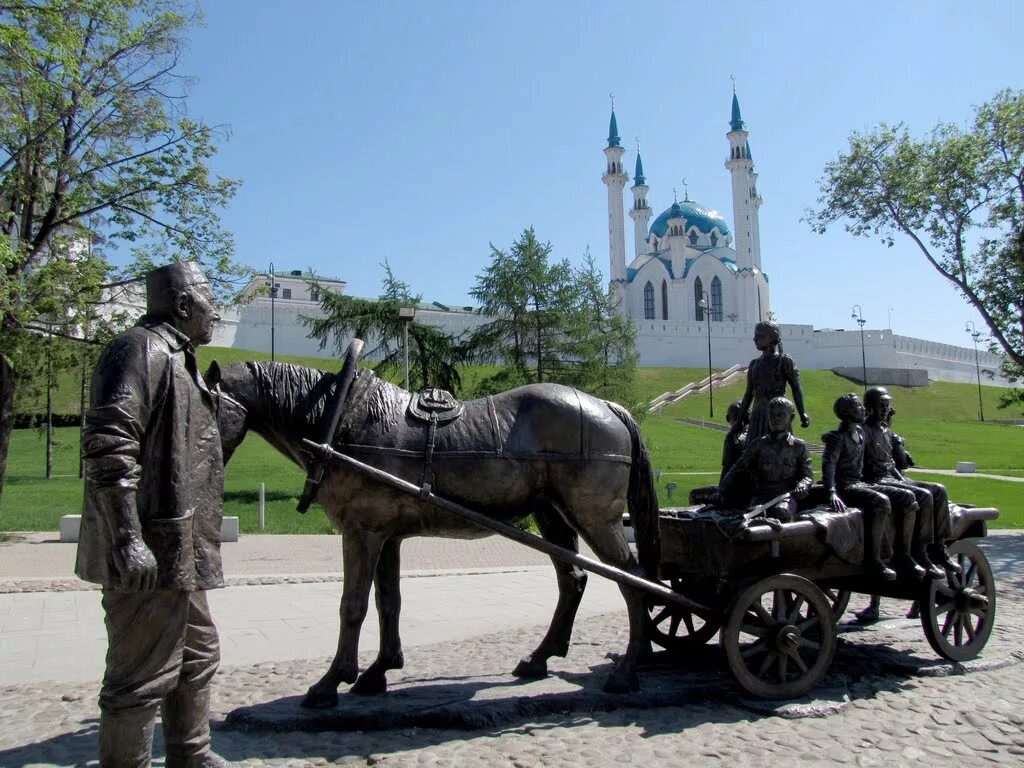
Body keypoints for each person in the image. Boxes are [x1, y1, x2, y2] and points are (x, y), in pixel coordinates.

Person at [75, 262, 226, 768]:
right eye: (210, 297)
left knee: (198, 656)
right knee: (139, 675)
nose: (216, 309)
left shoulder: (181, 359)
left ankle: (191, 753)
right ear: (183, 304)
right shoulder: (140, 349)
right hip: (150, 550)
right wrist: (125, 538)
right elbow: (109, 448)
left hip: (183, 553)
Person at [862, 387, 958, 578]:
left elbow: (891, 463)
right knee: (922, 496)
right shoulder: (863, 431)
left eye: (887, 405)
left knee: (939, 490)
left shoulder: (884, 430)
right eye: (881, 405)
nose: (885, 410)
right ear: (869, 407)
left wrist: (903, 479)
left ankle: (938, 547)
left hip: (891, 477)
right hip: (874, 480)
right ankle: (913, 552)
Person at [820, 393, 901, 581]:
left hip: (860, 483)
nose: (863, 409)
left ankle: (890, 551)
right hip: (845, 487)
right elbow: (829, 465)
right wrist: (831, 492)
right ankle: (874, 559)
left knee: (896, 497)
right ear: (847, 412)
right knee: (881, 501)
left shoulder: (861, 434)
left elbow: (880, 435)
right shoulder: (838, 438)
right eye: (858, 406)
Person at [716, 396, 812, 523]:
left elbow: (807, 475)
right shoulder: (758, 445)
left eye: (781, 415)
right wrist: (721, 491)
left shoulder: (799, 446)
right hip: (762, 496)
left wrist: (803, 485)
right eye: (772, 415)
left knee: (781, 513)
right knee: (752, 516)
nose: (775, 419)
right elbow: (737, 468)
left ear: (791, 418)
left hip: (785, 496)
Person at [730, 321, 810, 448]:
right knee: (754, 453)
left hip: (778, 414)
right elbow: (748, 394)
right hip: (758, 415)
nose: (755, 339)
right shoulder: (754, 364)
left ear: (772, 337)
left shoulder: (784, 361)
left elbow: (796, 387)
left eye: (760, 336)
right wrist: (739, 421)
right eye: (755, 336)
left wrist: (802, 413)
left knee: (781, 450)